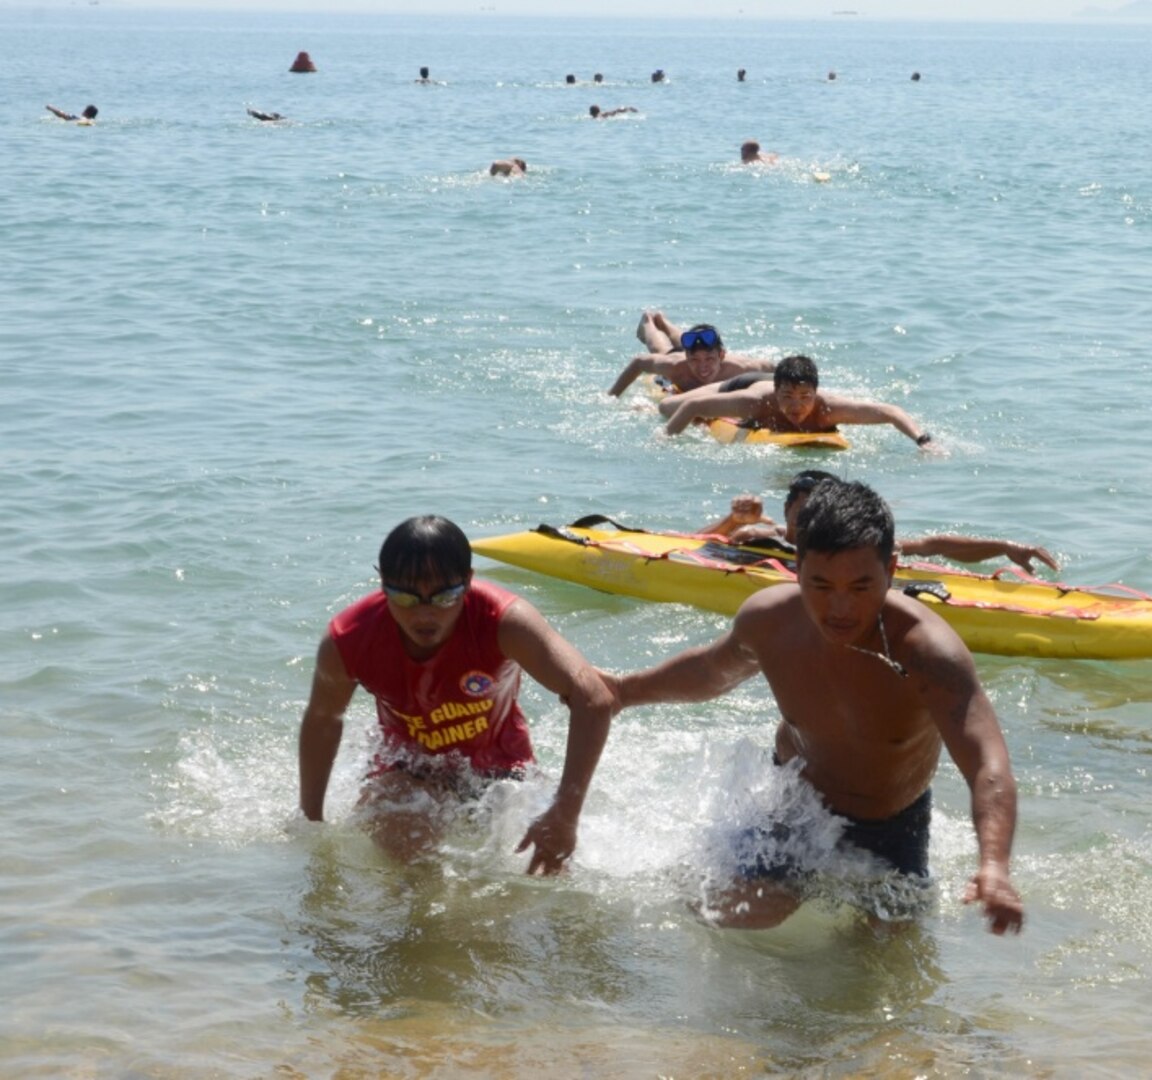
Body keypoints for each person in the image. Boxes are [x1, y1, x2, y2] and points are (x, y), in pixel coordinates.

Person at [603, 479, 1024, 933]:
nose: (839, 608)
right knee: (734, 914)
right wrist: (623, 691)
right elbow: (709, 672)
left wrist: (994, 865)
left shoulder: (927, 652)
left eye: (861, 587)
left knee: (884, 970)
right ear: (796, 566)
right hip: (799, 804)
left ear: (892, 570)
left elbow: (987, 762)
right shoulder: (770, 621)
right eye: (820, 585)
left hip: (894, 822)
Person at [297, 515, 616, 871]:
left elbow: (594, 699)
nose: (424, 614)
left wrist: (564, 815)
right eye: (405, 596)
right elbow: (323, 718)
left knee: (552, 872)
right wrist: (310, 821)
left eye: (444, 596)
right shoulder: (350, 639)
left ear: (467, 582)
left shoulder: (504, 621)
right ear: (383, 584)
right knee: (406, 854)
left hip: (502, 772)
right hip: (409, 767)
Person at [705, 470, 1060, 574]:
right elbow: (696, 544)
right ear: (787, 513)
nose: (812, 519)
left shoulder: (855, 545)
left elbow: (933, 545)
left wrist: (1006, 547)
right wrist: (731, 521)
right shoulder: (759, 535)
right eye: (802, 510)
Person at [661, 354, 936, 450]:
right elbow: (693, 408)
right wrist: (667, 438)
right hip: (743, 382)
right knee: (666, 406)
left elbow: (889, 411)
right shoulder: (755, 402)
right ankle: (666, 352)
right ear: (777, 394)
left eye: (805, 398)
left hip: (777, 378)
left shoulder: (829, 409)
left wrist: (923, 441)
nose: (797, 406)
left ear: (815, 394)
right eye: (788, 398)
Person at [608, 319, 775, 398]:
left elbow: (776, 369)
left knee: (683, 343)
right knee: (661, 349)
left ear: (721, 355)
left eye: (710, 359)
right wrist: (613, 396)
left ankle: (663, 322)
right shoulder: (675, 366)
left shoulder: (742, 368)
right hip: (674, 355)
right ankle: (649, 321)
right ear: (686, 357)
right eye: (695, 360)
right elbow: (639, 362)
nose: (703, 367)